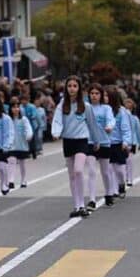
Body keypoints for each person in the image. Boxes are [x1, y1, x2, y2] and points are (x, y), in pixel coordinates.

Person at [52, 76, 101, 218]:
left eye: (75, 86)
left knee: (79, 171)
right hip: (68, 141)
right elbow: (57, 120)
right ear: (66, 89)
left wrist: (96, 141)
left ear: (79, 88)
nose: (72, 88)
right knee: (72, 175)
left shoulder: (86, 106)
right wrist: (55, 132)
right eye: (69, 86)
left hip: (82, 141)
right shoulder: (62, 105)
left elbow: (93, 125)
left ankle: (83, 204)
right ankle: (77, 205)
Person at [106, 87, 133, 201]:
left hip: (118, 143)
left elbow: (126, 129)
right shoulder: (103, 110)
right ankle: (112, 191)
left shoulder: (122, 112)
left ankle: (121, 184)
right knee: (109, 169)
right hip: (106, 144)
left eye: (107, 96)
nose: (104, 98)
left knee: (119, 170)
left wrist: (126, 142)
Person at [7, 99, 34, 190]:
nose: (15, 109)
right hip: (11, 145)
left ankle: (23, 180)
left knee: (22, 164)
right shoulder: (8, 119)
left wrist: (28, 136)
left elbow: (28, 129)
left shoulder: (23, 119)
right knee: (11, 161)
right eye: (13, 107)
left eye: (17, 107)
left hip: (22, 145)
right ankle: (11, 180)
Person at [125, 97, 140, 188]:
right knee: (123, 161)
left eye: (129, 103)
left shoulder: (135, 118)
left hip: (132, 142)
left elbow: (138, 131)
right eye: (126, 103)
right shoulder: (122, 117)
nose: (128, 105)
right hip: (124, 142)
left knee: (130, 161)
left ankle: (130, 179)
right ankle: (125, 177)